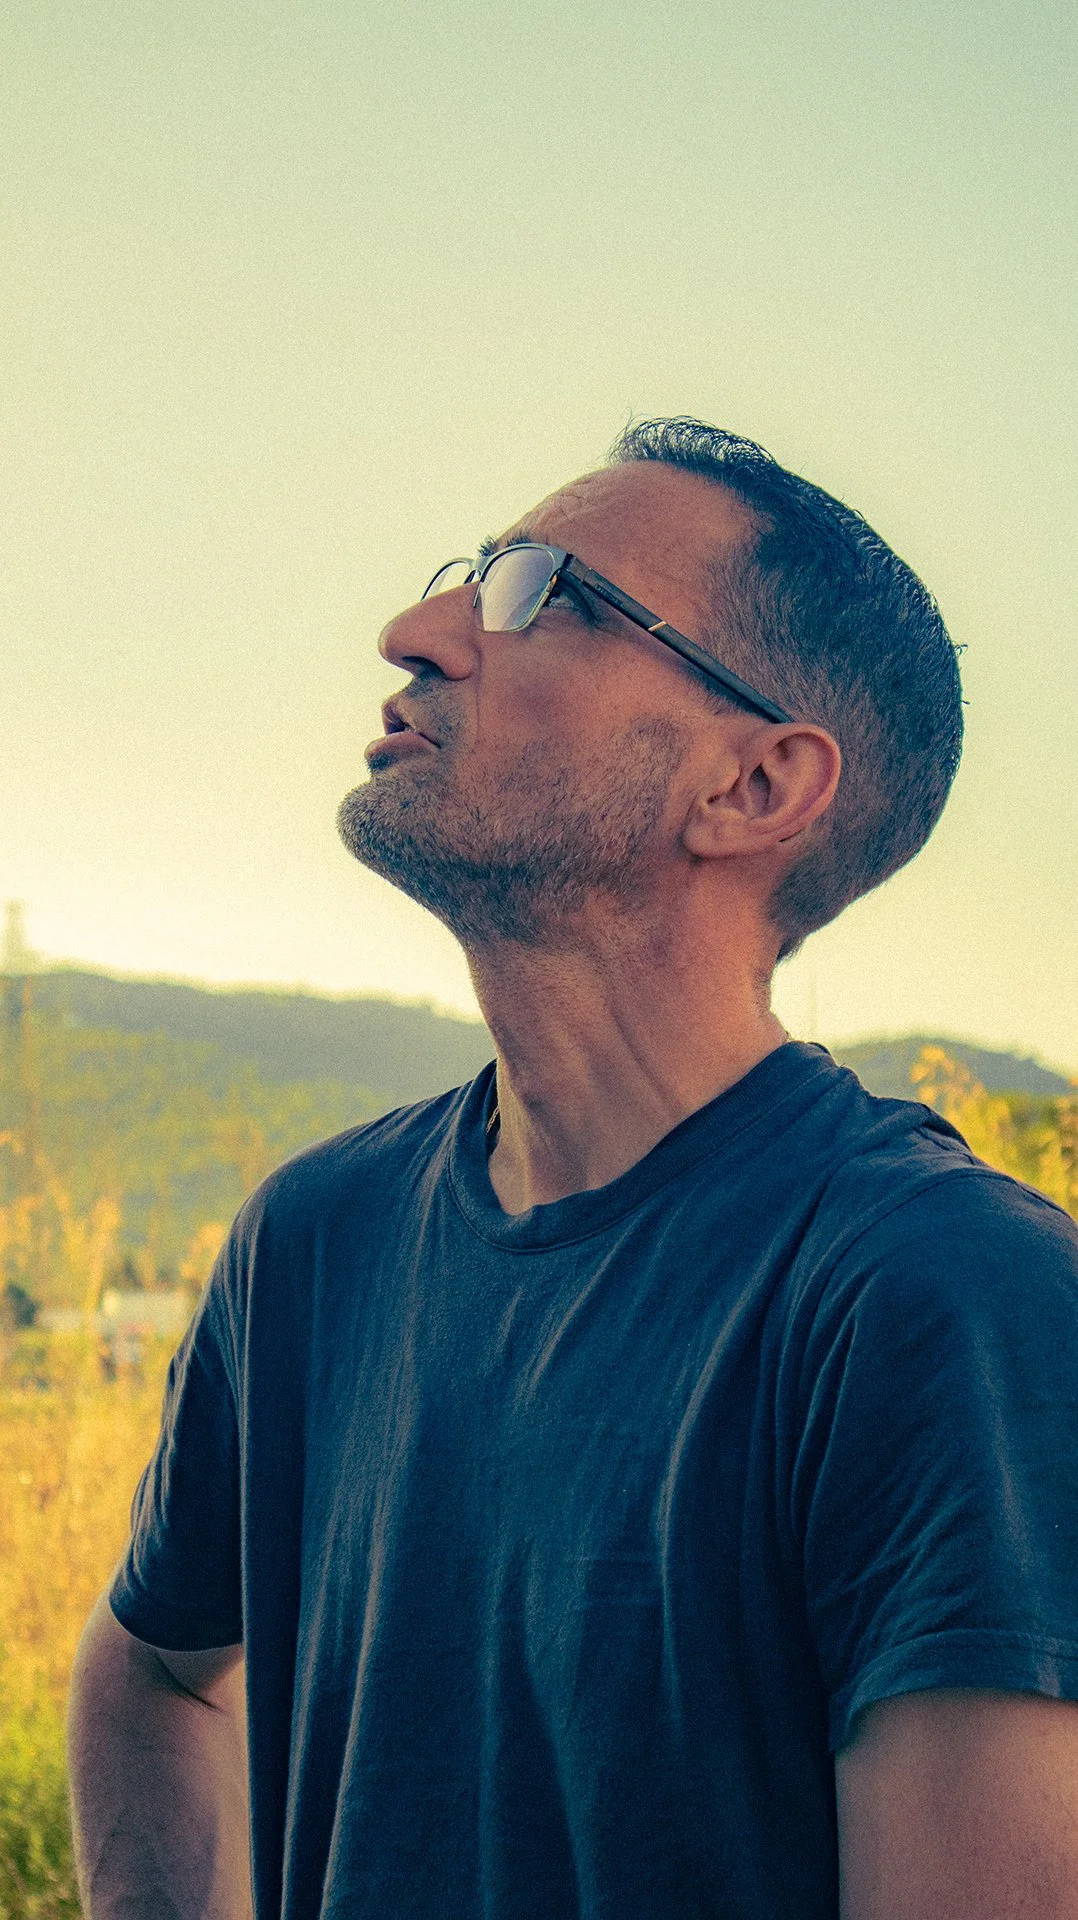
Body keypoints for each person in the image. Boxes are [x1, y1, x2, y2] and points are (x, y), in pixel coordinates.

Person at [68, 418, 1078, 1919]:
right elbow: (156, 1669)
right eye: (462, 580)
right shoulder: (315, 1240)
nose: (417, 635)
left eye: (538, 592)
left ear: (750, 788)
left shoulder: (937, 1294)